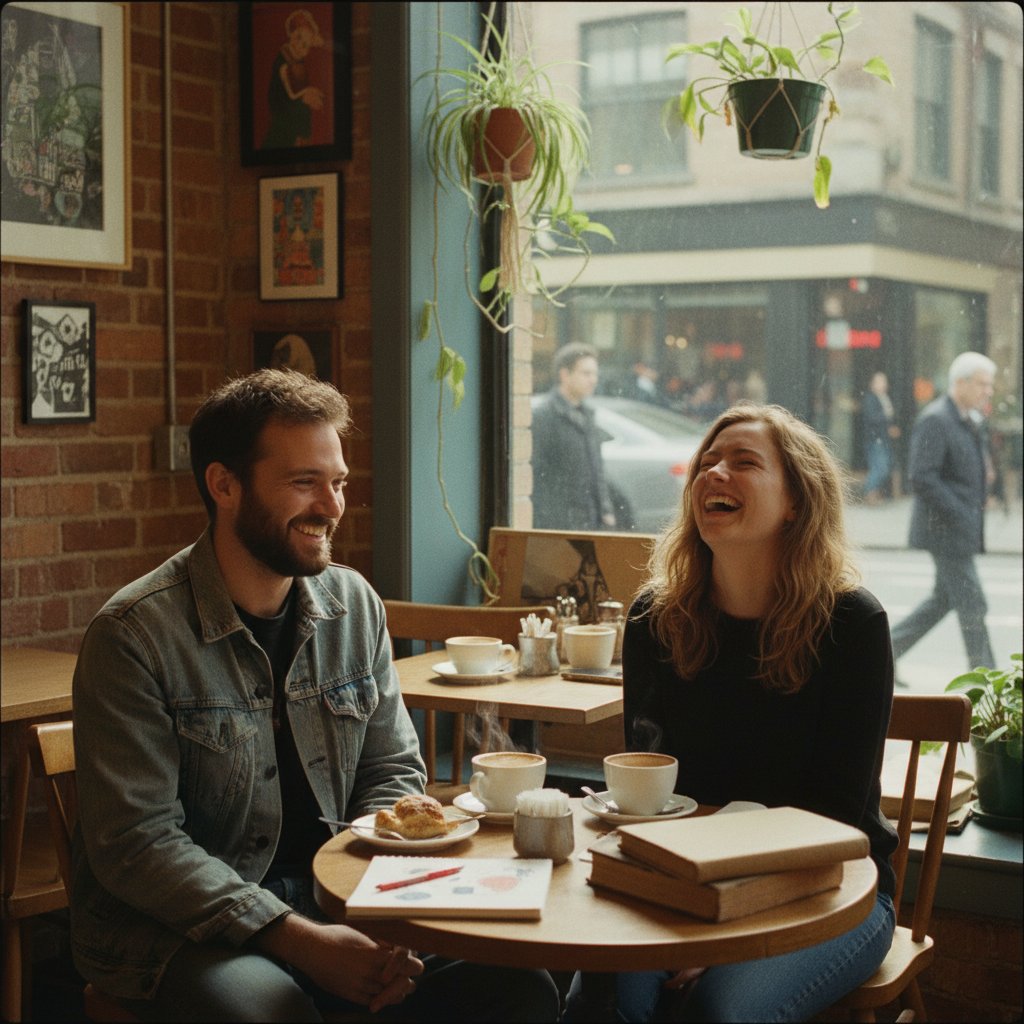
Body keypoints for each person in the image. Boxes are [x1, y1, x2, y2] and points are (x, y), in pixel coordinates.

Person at [70, 369, 559, 1023]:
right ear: (224, 485)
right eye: (304, 483)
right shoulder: (133, 635)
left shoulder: (353, 604)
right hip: (177, 933)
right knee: (276, 1013)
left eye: (338, 483)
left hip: (339, 893)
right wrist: (301, 941)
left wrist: (387, 899)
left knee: (522, 981)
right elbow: (140, 845)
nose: (331, 506)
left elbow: (389, 770)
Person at [564, 403, 897, 1022]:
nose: (714, 473)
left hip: (830, 886)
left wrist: (725, 928)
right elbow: (650, 788)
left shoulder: (851, 623)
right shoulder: (654, 618)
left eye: (744, 462)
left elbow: (835, 818)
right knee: (600, 1006)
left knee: (717, 1014)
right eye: (707, 462)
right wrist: (683, 906)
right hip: (677, 881)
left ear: (797, 501)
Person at [889, 351, 997, 674]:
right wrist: (961, 511)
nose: (988, 391)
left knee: (944, 600)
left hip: (958, 529)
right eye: (982, 384)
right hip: (945, 531)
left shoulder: (966, 419)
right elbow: (921, 477)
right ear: (959, 383)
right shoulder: (936, 419)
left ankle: (883, 654)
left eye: (990, 385)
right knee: (972, 603)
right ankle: (989, 681)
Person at [531, 342, 616, 530]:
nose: (593, 380)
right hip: (558, 525)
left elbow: (596, 468)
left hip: (589, 522)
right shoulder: (544, 416)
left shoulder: (587, 415)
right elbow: (536, 472)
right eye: (586, 373)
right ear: (564, 374)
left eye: (595, 374)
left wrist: (606, 510)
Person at [860, 371, 900, 505]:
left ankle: (873, 494)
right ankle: (867, 491)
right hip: (875, 439)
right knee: (880, 467)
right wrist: (885, 420)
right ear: (872, 384)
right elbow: (872, 418)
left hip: (884, 438)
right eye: (879, 381)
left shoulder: (885, 397)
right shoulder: (870, 399)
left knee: (883, 466)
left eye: (884, 381)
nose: (882, 384)